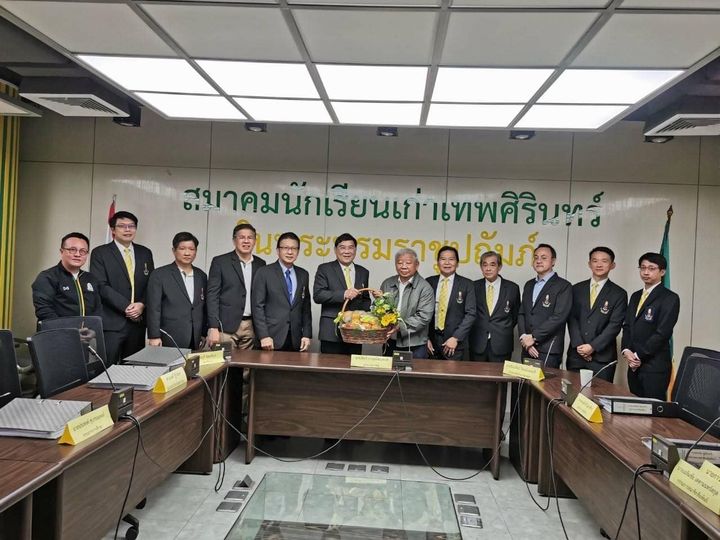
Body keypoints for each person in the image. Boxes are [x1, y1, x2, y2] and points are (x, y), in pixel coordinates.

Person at [90, 211, 154, 364]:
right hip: (112, 323)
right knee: (107, 369)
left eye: (131, 226)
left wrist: (142, 304)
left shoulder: (145, 253)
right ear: (113, 230)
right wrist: (127, 307)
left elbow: (151, 284)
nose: (127, 229)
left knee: (133, 369)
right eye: (122, 226)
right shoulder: (100, 253)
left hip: (137, 323)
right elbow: (101, 285)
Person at [621, 252, 680, 400]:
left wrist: (638, 355)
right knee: (634, 408)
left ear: (662, 272)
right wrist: (627, 350)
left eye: (651, 268)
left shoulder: (670, 298)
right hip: (633, 365)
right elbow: (627, 326)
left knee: (653, 410)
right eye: (643, 268)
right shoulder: (635, 296)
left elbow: (662, 333)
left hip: (655, 367)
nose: (646, 272)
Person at [566, 247, 627, 382]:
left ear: (612, 265)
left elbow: (614, 325)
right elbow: (571, 318)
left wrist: (592, 347)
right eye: (595, 261)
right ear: (589, 264)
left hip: (602, 358)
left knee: (600, 394)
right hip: (576, 356)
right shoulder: (576, 289)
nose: (599, 264)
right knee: (572, 393)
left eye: (604, 261)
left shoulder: (619, 293)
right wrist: (580, 346)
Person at [206, 223, 266, 351]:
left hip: (251, 326)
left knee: (248, 363)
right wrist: (213, 327)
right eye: (242, 237)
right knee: (224, 362)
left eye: (250, 237)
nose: (246, 241)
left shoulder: (261, 264)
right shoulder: (220, 262)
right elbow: (212, 295)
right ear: (234, 240)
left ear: (255, 241)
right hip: (225, 327)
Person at [252, 232, 312, 352]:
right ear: (278, 250)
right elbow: (257, 307)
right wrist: (263, 335)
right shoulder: (264, 272)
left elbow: (305, 307)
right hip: (270, 338)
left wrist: (306, 334)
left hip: (295, 339)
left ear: (298, 251)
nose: (290, 252)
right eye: (285, 248)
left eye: (294, 248)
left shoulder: (303, 274)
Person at [146, 232, 207, 350]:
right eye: (182, 249)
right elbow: (154, 308)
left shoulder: (201, 276)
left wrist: (203, 332)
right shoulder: (160, 274)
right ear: (174, 250)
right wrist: (154, 336)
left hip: (195, 337)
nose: (187, 253)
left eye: (191, 249)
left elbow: (203, 307)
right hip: (169, 336)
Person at [313, 233, 370, 355]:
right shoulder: (325, 269)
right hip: (331, 332)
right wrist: (343, 294)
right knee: (329, 366)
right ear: (335, 250)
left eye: (350, 247)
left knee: (353, 366)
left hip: (355, 331)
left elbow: (365, 301)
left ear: (355, 250)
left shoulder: (363, 272)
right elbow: (318, 295)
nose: (347, 251)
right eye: (342, 247)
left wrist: (377, 302)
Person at [518, 243, 572, 368]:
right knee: (525, 381)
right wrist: (524, 338)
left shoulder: (563, 286)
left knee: (545, 381)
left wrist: (534, 337)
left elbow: (559, 317)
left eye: (543, 258)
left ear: (553, 261)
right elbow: (522, 313)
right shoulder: (529, 284)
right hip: (527, 347)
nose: (538, 261)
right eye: (536, 257)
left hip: (548, 349)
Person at [32, 232, 103, 324]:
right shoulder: (47, 277)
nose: (77, 254)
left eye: (83, 251)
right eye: (72, 250)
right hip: (58, 331)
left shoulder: (91, 278)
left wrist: (93, 328)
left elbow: (97, 310)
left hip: (87, 332)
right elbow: (44, 311)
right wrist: (67, 330)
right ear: (61, 252)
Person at [378, 248, 434, 359]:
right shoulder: (387, 283)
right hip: (390, 341)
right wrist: (378, 301)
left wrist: (400, 326)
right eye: (400, 263)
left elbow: (424, 317)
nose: (403, 266)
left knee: (414, 371)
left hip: (414, 344)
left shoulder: (425, 288)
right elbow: (381, 310)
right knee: (388, 370)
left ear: (417, 265)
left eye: (408, 263)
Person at [426, 246, 476, 360]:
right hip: (431, 343)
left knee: (453, 371)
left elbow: (471, 314)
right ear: (438, 262)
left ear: (457, 263)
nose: (447, 263)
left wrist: (456, 337)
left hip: (455, 344)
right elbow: (421, 312)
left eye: (451, 259)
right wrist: (425, 338)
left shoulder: (467, 284)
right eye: (443, 259)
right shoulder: (429, 282)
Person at [469, 251, 521, 362]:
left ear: (499, 267)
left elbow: (515, 315)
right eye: (485, 265)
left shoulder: (512, 288)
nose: (488, 268)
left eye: (492, 265)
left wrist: (501, 327)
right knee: (476, 373)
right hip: (477, 343)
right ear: (481, 267)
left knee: (499, 374)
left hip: (502, 344)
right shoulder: (473, 286)